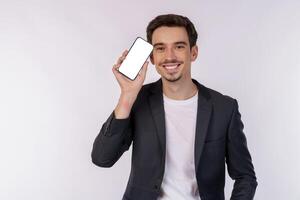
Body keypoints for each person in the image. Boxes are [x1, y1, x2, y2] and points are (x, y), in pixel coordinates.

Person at [91, 14, 257, 200]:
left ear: (193, 52)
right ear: (152, 57)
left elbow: (245, 176)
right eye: (160, 48)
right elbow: (102, 158)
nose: (169, 56)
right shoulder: (138, 100)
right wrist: (127, 95)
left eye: (179, 46)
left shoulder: (224, 108)